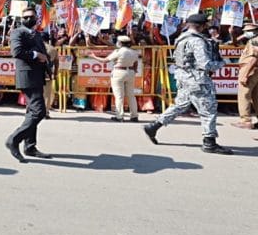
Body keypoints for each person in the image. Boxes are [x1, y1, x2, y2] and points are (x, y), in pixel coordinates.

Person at [143, 14, 232, 154]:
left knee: (180, 105)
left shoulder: (181, 38)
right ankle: (209, 142)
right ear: (201, 26)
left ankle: (154, 126)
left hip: (184, 77)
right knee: (208, 110)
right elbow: (205, 64)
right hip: (198, 79)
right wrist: (222, 63)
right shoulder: (198, 42)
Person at [5, 6, 52, 162]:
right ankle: (14, 139)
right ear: (21, 19)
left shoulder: (37, 34)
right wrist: (36, 54)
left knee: (31, 112)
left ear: (36, 17)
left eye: (31, 16)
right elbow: (16, 52)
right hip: (27, 75)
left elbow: (43, 53)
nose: (28, 19)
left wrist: (45, 62)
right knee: (39, 111)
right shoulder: (18, 32)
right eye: (25, 17)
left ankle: (30, 146)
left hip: (37, 75)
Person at [88, 35, 140, 122]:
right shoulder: (134, 52)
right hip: (130, 72)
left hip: (119, 72)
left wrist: (94, 57)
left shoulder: (118, 51)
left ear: (120, 43)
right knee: (131, 95)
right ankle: (134, 116)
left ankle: (119, 116)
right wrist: (133, 71)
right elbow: (135, 64)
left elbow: (105, 60)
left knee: (119, 96)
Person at [232, 23, 258, 129]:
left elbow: (254, 58)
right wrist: (232, 34)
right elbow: (235, 42)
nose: (246, 32)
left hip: (250, 69)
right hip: (254, 69)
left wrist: (245, 74)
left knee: (244, 94)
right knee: (256, 96)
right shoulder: (252, 39)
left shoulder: (254, 41)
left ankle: (245, 120)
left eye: (248, 30)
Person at [42, 33, 59, 118]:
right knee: (47, 94)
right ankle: (46, 112)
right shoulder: (53, 49)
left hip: (36, 74)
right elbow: (56, 63)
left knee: (35, 93)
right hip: (47, 73)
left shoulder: (36, 47)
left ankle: (32, 110)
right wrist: (55, 73)